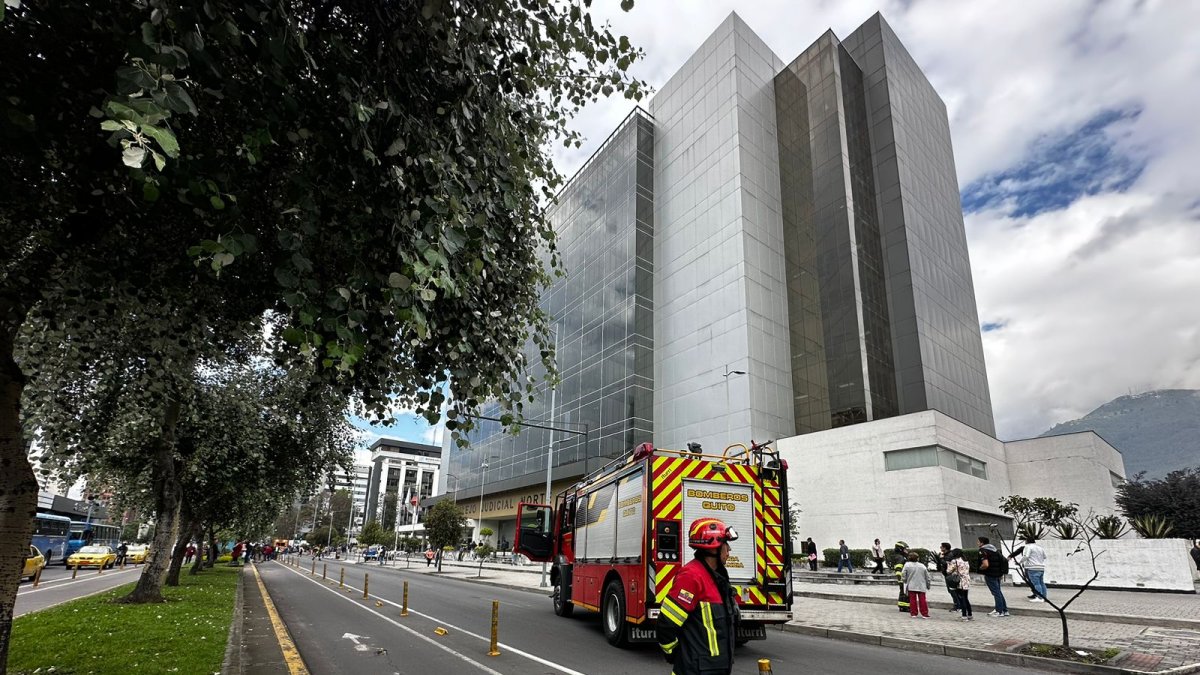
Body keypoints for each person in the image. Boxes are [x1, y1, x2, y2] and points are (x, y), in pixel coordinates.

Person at [657, 518, 739, 675]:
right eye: (726, 545)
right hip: (695, 670)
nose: (729, 550)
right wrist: (675, 654)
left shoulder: (717, 578)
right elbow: (666, 624)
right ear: (714, 548)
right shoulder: (691, 577)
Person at [977, 536, 1009, 617]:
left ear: (982, 543)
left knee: (996, 592)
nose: (977, 543)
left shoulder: (982, 550)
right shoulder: (994, 550)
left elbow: (985, 564)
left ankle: (999, 611)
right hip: (998, 573)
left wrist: (980, 568)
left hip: (990, 574)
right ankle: (1004, 610)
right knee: (998, 592)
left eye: (978, 541)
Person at [901, 551, 931, 618]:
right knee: (922, 600)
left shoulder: (907, 565)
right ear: (917, 558)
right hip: (921, 585)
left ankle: (914, 613)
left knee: (912, 600)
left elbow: (903, 574)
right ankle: (924, 613)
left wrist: (905, 581)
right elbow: (927, 577)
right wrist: (928, 585)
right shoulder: (922, 566)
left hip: (911, 585)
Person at [1019, 536, 1049, 602]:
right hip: (1041, 567)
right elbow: (1044, 557)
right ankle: (1044, 597)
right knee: (1041, 583)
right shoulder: (1040, 548)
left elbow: (1026, 556)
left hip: (1032, 567)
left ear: (1027, 541)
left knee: (1036, 584)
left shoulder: (1028, 547)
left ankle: (1039, 597)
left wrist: (1020, 562)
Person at [947, 548, 973, 621]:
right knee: (966, 597)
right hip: (966, 580)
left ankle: (964, 615)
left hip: (959, 581)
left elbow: (948, 571)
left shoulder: (955, 561)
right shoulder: (965, 561)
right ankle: (969, 614)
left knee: (961, 598)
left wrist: (948, 564)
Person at [936, 542, 961, 612]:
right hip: (947, 575)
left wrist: (941, 559)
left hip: (950, 575)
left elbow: (946, 564)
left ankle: (957, 606)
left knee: (952, 590)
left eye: (941, 546)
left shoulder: (949, 555)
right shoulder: (946, 554)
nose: (940, 548)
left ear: (945, 548)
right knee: (952, 591)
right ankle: (958, 605)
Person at [893, 541, 910, 613]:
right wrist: (901, 579)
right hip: (903, 578)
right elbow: (898, 569)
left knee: (902, 592)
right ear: (900, 549)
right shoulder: (900, 558)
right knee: (905, 592)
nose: (907, 551)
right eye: (905, 549)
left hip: (902, 578)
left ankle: (902, 606)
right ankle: (905, 607)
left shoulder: (899, 556)